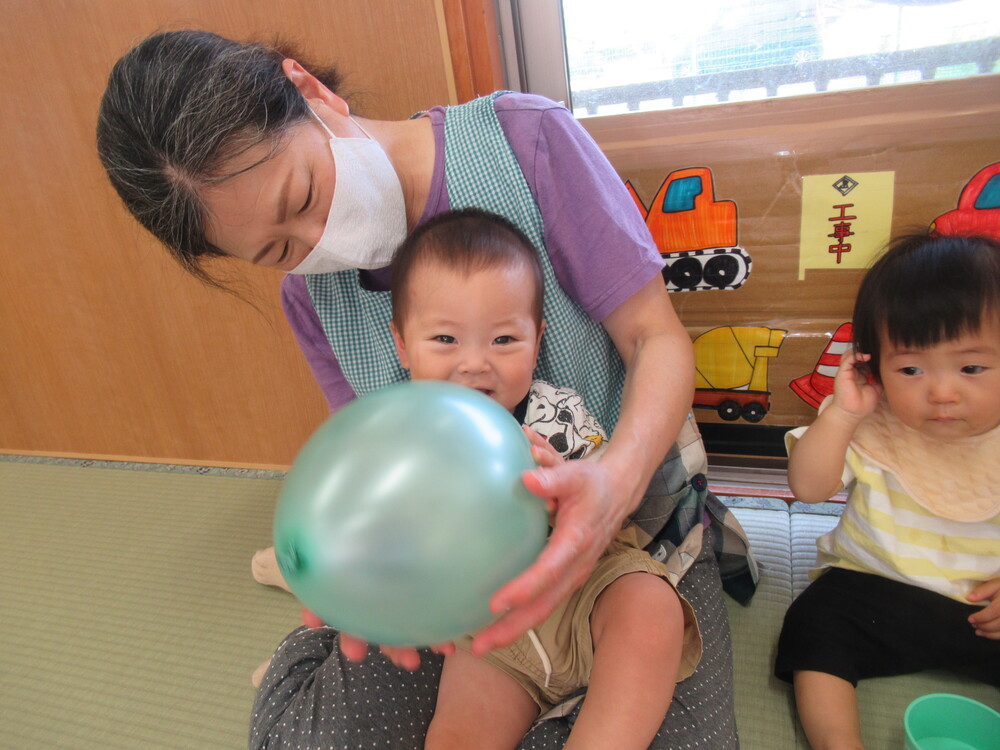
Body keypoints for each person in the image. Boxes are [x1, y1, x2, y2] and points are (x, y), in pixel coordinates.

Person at [96, 30, 756, 749]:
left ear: (312, 94)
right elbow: (377, 467)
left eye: (308, 193)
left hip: (627, 534)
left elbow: (655, 337)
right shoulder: (312, 302)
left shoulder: (523, 141)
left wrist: (612, 483)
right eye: (282, 250)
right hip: (463, 573)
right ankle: (305, 635)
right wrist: (360, 579)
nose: (322, 239)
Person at [387, 208, 701, 749]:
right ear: (401, 345)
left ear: (537, 342)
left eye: (504, 340)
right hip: (493, 633)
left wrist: (567, 500)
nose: (475, 364)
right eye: (445, 339)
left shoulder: (557, 412)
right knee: (456, 736)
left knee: (652, 611)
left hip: (587, 589)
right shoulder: (400, 441)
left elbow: (611, 498)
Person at [775, 232, 1000, 750]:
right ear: (872, 365)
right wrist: (842, 415)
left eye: (971, 367)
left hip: (983, 607)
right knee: (813, 624)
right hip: (874, 591)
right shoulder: (873, 423)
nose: (942, 391)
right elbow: (808, 488)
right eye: (911, 368)